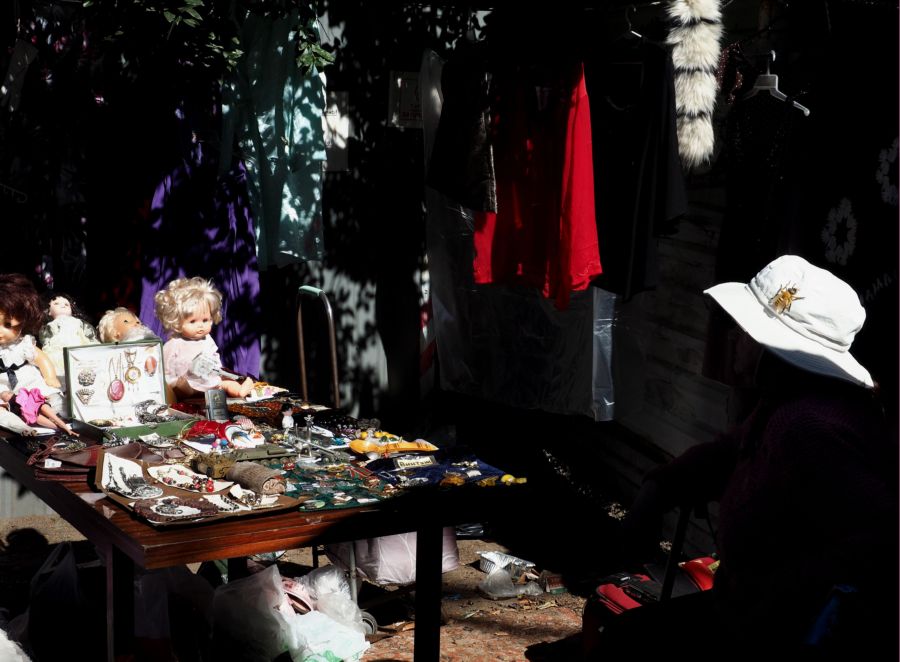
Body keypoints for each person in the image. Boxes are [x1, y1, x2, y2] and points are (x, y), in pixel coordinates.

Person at [616, 255, 898, 659]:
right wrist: (661, 487)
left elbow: (875, 545)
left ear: (772, 349)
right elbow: (731, 450)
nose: (734, 336)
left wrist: (777, 597)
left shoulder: (809, 427)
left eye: (745, 329)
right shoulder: (784, 404)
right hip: (746, 615)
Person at [153, 277, 254, 400]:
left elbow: (213, 355)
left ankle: (240, 391)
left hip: (209, 382)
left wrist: (217, 368)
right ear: (177, 321)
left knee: (226, 384)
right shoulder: (175, 343)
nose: (200, 326)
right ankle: (191, 394)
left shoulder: (207, 338)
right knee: (181, 388)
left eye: (205, 320)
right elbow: (165, 367)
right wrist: (171, 381)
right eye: (193, 321)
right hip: (189, 384)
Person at [0, 274, 66, 433]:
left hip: (27, 382)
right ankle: (18, 425)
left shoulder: (24, 344)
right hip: (3, 387)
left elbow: (41, 358)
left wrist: (50, 376)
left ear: (23, 322)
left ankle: (50, 415)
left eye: (8, 325)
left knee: (46, 396)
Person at [38, 292, 100, 378]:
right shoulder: (50, 326)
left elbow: (89, 335)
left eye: (66, 304)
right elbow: (45, 339)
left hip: (78, 350)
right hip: (59, 352)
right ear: (49, 311)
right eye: (56, 304)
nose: (63, 306)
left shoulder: (78, 322)